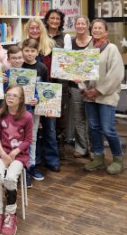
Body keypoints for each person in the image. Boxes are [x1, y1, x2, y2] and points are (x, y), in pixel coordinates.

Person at [0, 84, 32, 235]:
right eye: (8, 95)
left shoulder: (27, 116)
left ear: (21, 99)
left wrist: (13, 153)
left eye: (14, 95)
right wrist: (2, 153)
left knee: (11, 178)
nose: (10, 98)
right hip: (1, 153)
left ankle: (10, 214)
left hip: (18, 155)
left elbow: (27, 140)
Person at [82, 18, 125, 175]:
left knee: (108, 128)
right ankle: (99, 157)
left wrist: (98, 90)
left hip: (106, 95)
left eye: (100, 28)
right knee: (94, 127)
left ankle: (118, 159)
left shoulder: (112, 49)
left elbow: (116, 74)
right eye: (94, 28)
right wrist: (84, 89)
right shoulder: (87, 49)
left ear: (106, 32)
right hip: (89, 96)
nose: (97, 30)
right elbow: (81, 72)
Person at [21, 17, 60, 172]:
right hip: (29, 98)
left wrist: (54, 100)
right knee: (32, 130)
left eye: (37, 28)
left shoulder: (50, 46)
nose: (35, 30)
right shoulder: (22, 47)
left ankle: (52, 159)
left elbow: (56, 71)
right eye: (32, 28)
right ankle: (34, 161)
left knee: (50, 128)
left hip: (49, 92)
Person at [44, 9, 71, 158]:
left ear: (61, 22)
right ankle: (48, 146)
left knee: (61, 115)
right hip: (46, 79)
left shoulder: (65, 37)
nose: (54, 21)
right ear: (47, 20)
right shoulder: (42, 35)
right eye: (51, 18)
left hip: (60, 80)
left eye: (57, 19)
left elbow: (67, 59)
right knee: (47, 115)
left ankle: (59, 145)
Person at [19, 39, 47, 182]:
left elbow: (45, 88)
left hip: (34, 109)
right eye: (26, 50)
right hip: (18, 109)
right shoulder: (19, 65)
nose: (29, 54)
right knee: (20, 138)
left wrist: (39, 100)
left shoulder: (42, 68)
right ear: (22, 50)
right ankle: (21, 167)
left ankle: (31, 166)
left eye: (32, 51)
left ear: (37, 52)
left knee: (33, 137)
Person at [70, 16, 93, 159]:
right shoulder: (71, 43)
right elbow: (67, 64)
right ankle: (81, 148)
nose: (80, 26)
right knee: (78, 118)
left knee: (92, 119)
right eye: (78, 24)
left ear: (88, 25)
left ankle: (93, 150)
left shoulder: (94, 42)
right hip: (74, 86)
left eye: (83, 23)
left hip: (91, 86)